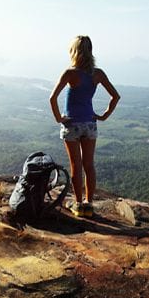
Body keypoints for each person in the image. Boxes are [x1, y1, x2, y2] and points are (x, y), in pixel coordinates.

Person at [49, 35, 120, 218]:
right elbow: (115, 96)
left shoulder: (70, 73)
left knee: (76, 165)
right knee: (89, 165)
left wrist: (59, 118)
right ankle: (89, 204)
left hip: (71, 124)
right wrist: (103, 116)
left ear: (74, 51)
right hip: (90, 124)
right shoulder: (98, 74)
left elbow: (52, 98)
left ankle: (79, 205)